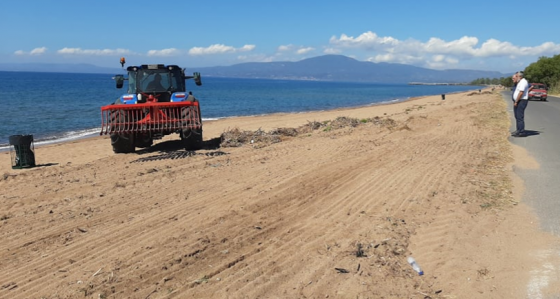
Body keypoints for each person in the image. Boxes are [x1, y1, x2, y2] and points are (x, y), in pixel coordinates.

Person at [512, 71, 529, 137]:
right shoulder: (519, 82)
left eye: (516, 76)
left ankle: (521, 132)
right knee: (517, 116)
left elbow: (521, 92)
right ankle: (518, 130)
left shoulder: (523, 82)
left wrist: (516, 101)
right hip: (518, 100)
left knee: (519, 117)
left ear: (520, 76)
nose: (515, 77)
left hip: (521, 101)